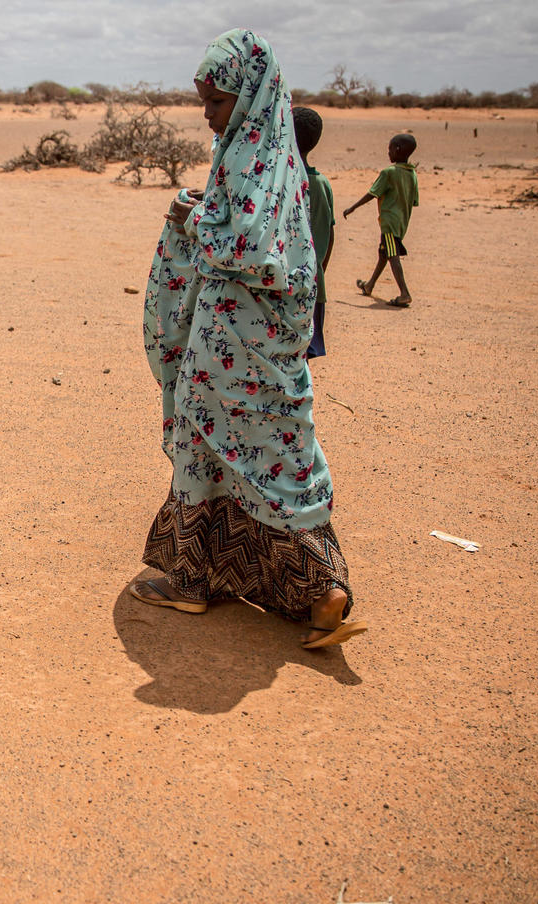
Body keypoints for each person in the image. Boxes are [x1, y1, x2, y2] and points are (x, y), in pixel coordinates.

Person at [136, 29, 364, 649]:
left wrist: (194, 218)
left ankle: (192, 578)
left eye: (216, 102)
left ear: (250, 95)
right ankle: (320, 589)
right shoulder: (275, 158)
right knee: (275, 451)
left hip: (234, 340)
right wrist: (205, 207)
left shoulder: (250, 159)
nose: (208, 116)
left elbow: (252, 249)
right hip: (259, 342)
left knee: (207, 441)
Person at [344, 133, 419, 307]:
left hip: (389, 223)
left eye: (390, 149)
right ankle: (369, 285)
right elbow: (414, 201)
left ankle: (404, 293)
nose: (388, 153)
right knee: (384, 253)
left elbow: (372, 193)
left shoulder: (389, 173)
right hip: (401, 223)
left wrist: (353, 207)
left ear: (397, 149)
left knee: (392, 256)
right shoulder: (412, 174)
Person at [293, 106, 333, 357]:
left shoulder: (286, 182)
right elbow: (330, 236)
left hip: (286, 284)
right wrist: (319, 271)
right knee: (304, 353)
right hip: (314, 281)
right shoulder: (322, 184)